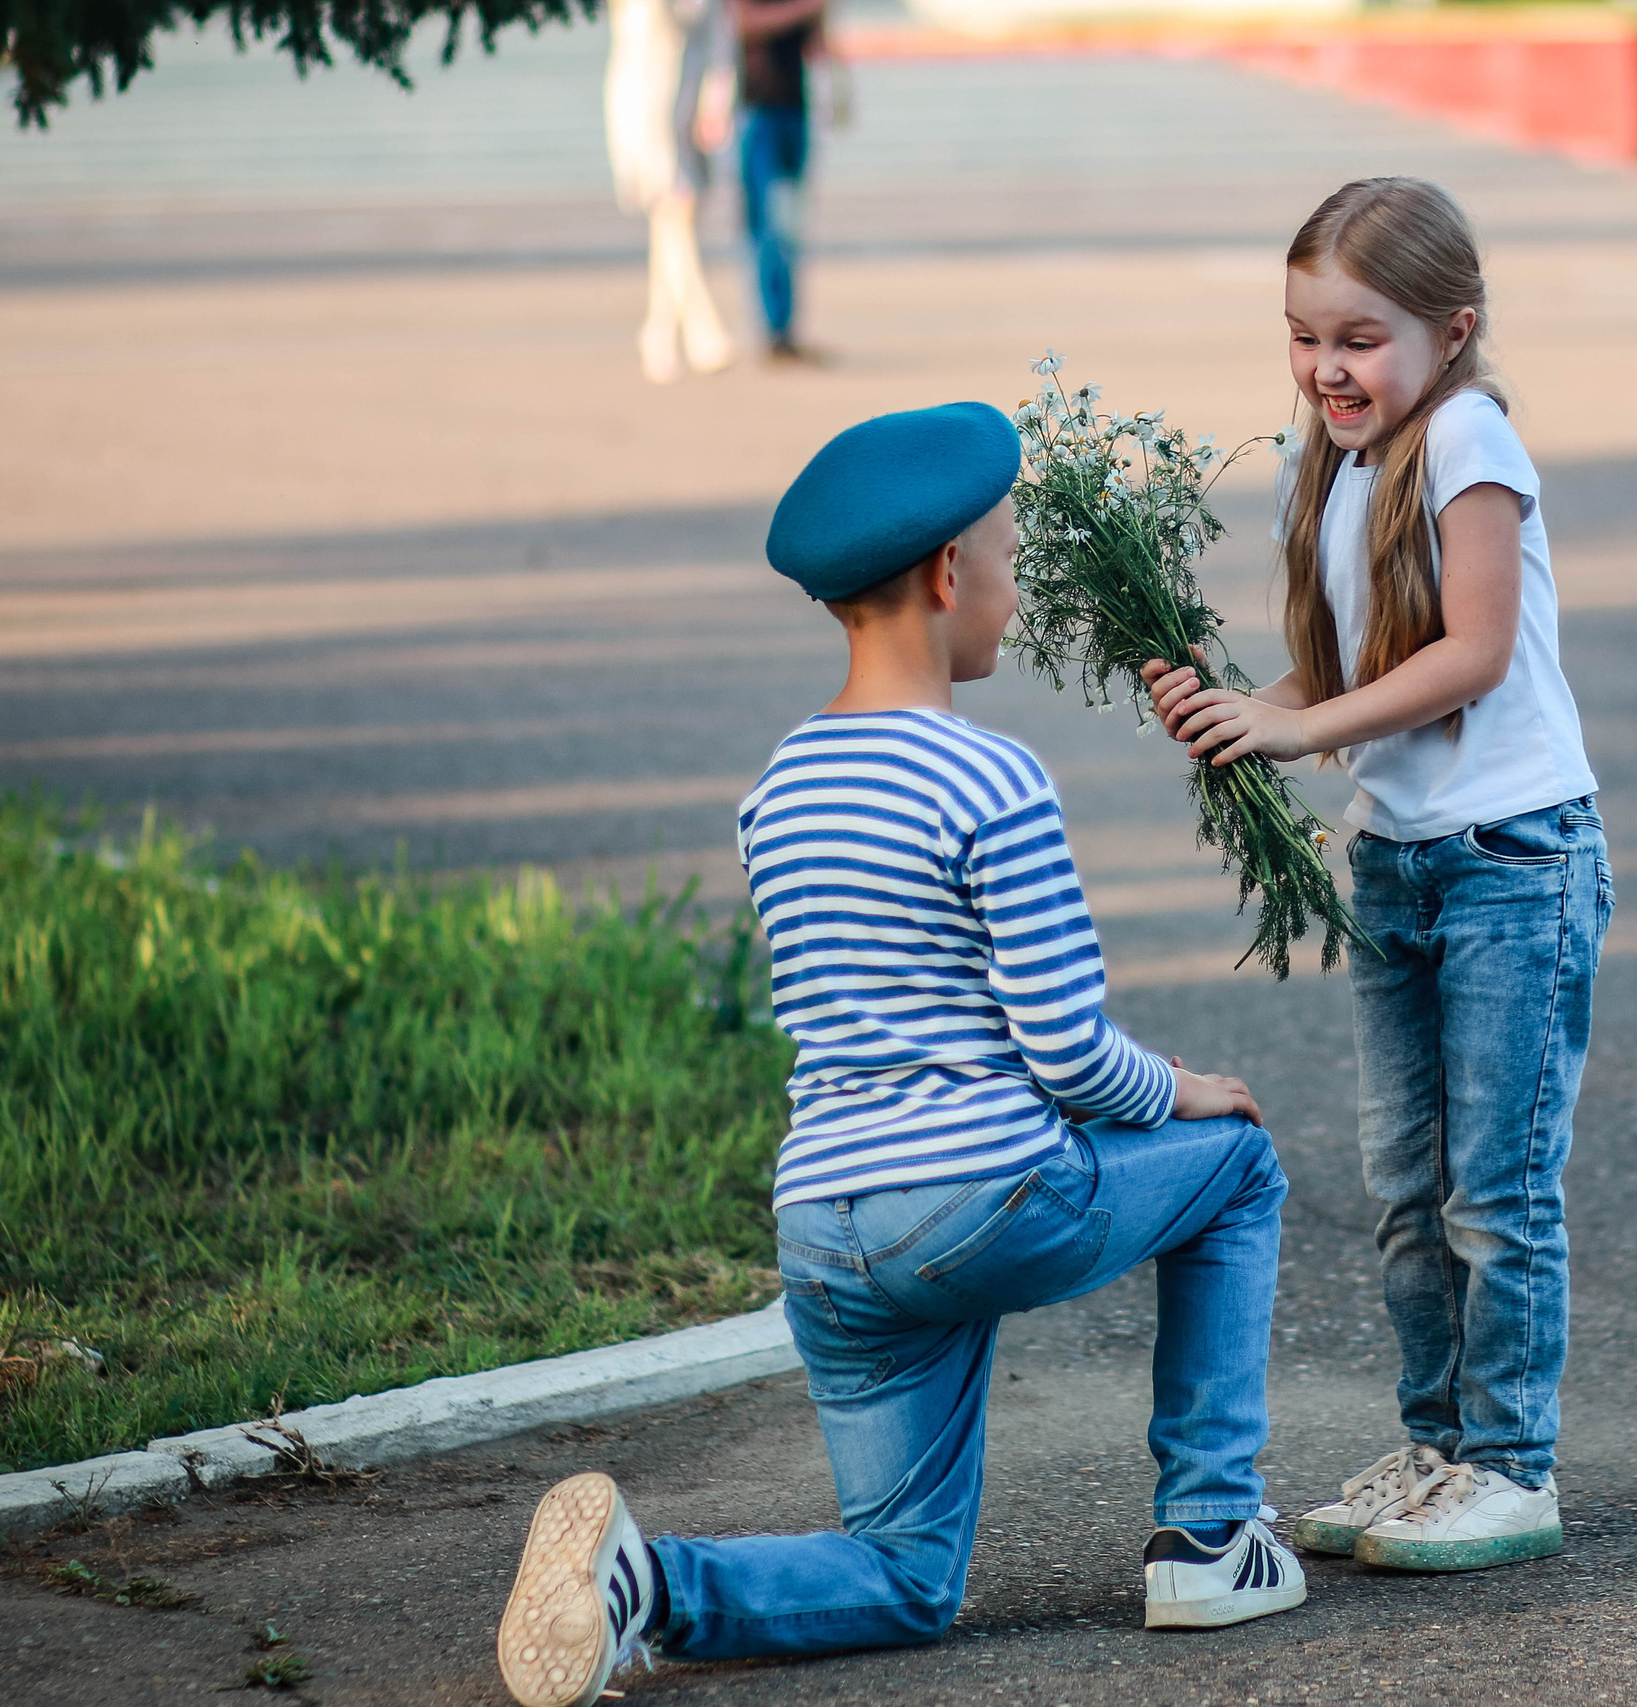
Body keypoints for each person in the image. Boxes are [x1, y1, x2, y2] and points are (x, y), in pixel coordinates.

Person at [495, 403, 1305, 1707]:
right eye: (1005, 555)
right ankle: (1212, 1533)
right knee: (1239, 1163)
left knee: (907, 1572)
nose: (1014, 583)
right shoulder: (989, 778)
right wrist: (1186, 1092)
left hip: (828, 1225)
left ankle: (645, 1584)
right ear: (944, 576)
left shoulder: (780, 788)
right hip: (981, 1197)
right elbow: (1065, 1049)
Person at [1145, 177, 1610, 1575]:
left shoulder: (1468, 435)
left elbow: (1466, 654)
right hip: (1403, 864)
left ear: (1451, 330)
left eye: (1358, 338)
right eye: (1304, 337)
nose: (1326, 367)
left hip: (1513, 860)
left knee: (1498, 1188)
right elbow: (1356, 675)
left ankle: (1511, 1464)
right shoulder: (1336, 462)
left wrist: (1296, 724)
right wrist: (1244, 708)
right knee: (1406, 1183)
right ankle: (1437, 1445)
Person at [605, 0, 736, 384]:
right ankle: (703, 330)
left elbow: (718, 45)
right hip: (646, 115)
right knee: (671, 215)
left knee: (675, 223)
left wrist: (716, 104)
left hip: (687, 113)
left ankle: (657, 334)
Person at [730, 0, 839, 361]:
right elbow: (743, 23)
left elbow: (818, 47)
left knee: (791, 225)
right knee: (767, 228)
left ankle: (788, 330)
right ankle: (774, 330)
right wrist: (806, 9)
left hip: (796, 110)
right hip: (758, 112)